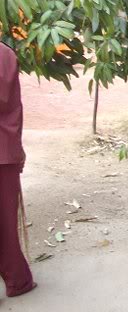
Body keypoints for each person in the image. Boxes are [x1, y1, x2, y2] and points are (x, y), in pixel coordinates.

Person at [0, 41, 36, 298]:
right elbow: (14, 106)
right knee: (5, 223)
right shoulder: (5, 54)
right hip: (4, 150)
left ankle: (19, 279)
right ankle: (18, 280)